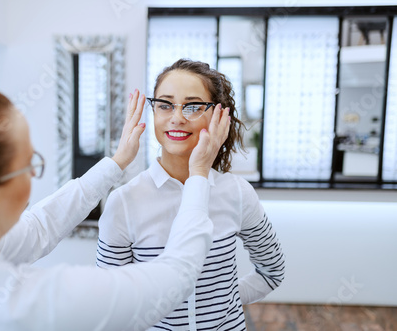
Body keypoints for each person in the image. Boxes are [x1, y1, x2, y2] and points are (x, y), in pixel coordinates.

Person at [0, 79, 231, 330]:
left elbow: (40, 225)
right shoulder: (38, 303)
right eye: (29, 163)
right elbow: (175, 277)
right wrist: (199, 174)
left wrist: (116, 163)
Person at [97, 59, 286, 331]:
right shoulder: (124, 202)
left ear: (218, 115)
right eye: (165, 104)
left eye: (194, 106)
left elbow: (272, 271)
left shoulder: (237, 193)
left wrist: (225, 301)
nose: (177, 117)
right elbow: (110, 301)